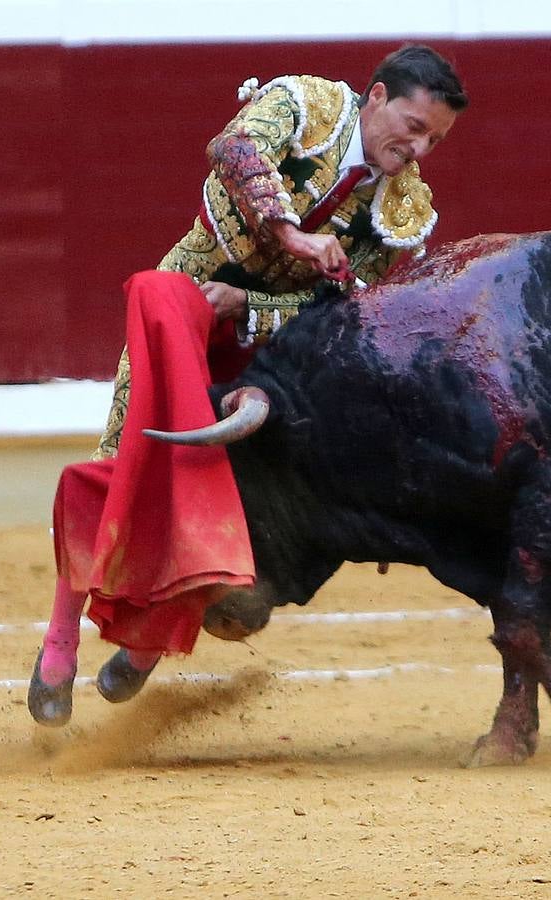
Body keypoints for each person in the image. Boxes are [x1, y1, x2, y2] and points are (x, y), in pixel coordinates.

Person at [27, 44, 468, 726]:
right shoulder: (307, 105)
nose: (417, 149)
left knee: (227, 493)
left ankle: (146, 644)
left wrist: (254, 310)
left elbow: (349, 314)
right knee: (123, 460)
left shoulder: (404, 209)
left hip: (279, 353)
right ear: (376, 97)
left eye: (434, 140)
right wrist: (291, 238)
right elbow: (233, 150)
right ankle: (59, 638)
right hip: (188, 303)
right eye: (412, 126)